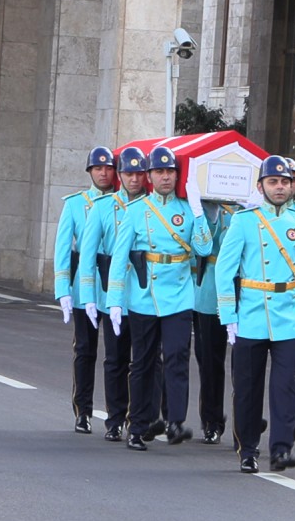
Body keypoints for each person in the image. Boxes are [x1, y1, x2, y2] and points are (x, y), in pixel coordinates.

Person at [216, 155, 295, 474]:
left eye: (285, 182)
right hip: (251, 313)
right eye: (273, 181)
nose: (279, 187)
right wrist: (228, 314)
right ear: (260, 186)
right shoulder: (244, 220)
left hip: (290, 314)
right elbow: (224, 269)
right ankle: (247, 449)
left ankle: (281, 449)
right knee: (247, 388)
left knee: (285, 386)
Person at [106, 145, 210, 451]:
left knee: (177, 357)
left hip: (179, 293)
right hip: (144, 295)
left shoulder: (186, 209)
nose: (165, 177)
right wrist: (115, 299)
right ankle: (138, 426)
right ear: (149, 177)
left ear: (177, 176)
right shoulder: (136, 210)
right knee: (143, 362)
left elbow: (203, 249)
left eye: (170, 172)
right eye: (159, 172)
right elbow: (119, 257)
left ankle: (175, 420)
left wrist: (199, 213)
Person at [76, 146, 146, 441]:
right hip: (112, 294)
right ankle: (115, 419)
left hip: (145, 296)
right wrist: (88, 297)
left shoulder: (152, 206)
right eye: (128, 173)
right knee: (115, 359)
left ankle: (142, 419)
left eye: (139, 173)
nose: (134, 179)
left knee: (146, 361)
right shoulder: (104, 207)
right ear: (121, 175)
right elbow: (87, 255)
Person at [54, 146, 118, 434]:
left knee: (117, 354)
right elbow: (63, 249)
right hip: (85, 283)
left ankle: (117, 415)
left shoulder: (123, 202)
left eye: (108, 168)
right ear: (90, 171)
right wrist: (63, 289)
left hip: (115, 284)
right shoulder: (75, 204)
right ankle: (83, 411)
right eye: (98, 168)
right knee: (84, 349)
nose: (104, 173)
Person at [192, 195, 239, 445]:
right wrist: (206, 214)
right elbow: (201, 248)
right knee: (210, 360)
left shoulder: (250, 208)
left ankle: (245, 423)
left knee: (246, 365)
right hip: (211, 288)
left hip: (247, 287)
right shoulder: (205, 208)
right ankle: (212, 420)